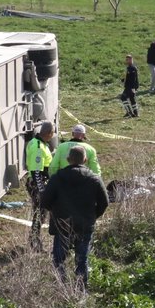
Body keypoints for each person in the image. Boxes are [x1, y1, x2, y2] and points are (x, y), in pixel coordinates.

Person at [37, 146, 108, 289]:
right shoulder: (94, 179)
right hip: (84, 225)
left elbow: (44, 201)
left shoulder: (57, 178)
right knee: (82, 260)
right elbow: (104, 203)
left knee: (59, 261)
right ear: (85, 160)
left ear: (68, 160)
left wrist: (56, 213)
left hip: (62, 225)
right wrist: (93, 216)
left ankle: (62, 289)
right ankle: (81, 290)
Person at [25, 122, 55, 248]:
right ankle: (34, 240)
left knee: (41, 213)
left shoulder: (37, 142)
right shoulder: (38, 147)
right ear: (49, 133)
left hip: (38, 182)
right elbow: (36, 171)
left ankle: (34, 239)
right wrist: (42, 190)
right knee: (39, 213)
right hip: (37, 183)